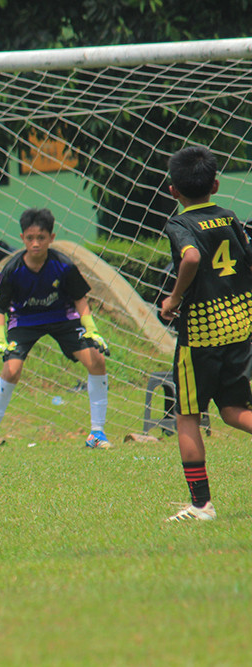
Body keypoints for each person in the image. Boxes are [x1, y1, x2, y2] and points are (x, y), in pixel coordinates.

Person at [159, 146, 252, 522]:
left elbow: (192, 258)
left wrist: (174, 297)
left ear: (173, 190)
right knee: (234, 411)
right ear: (215, 183)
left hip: (201, 334)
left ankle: (201, 505)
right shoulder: (229, 217)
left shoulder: (180, 224)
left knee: (186, 415)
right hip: (240, 325)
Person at [0, 207, 110, 452]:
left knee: (97, 361)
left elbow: (81, 298)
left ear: (52, 237)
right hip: (24, 320)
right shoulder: (12, 269)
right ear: (22, 239)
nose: (36, 243)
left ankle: (97, 433)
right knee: (12, 370)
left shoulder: (64, 266)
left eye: (41, 238)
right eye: (30, 238)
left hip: (62, 317)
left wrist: (91, 328)